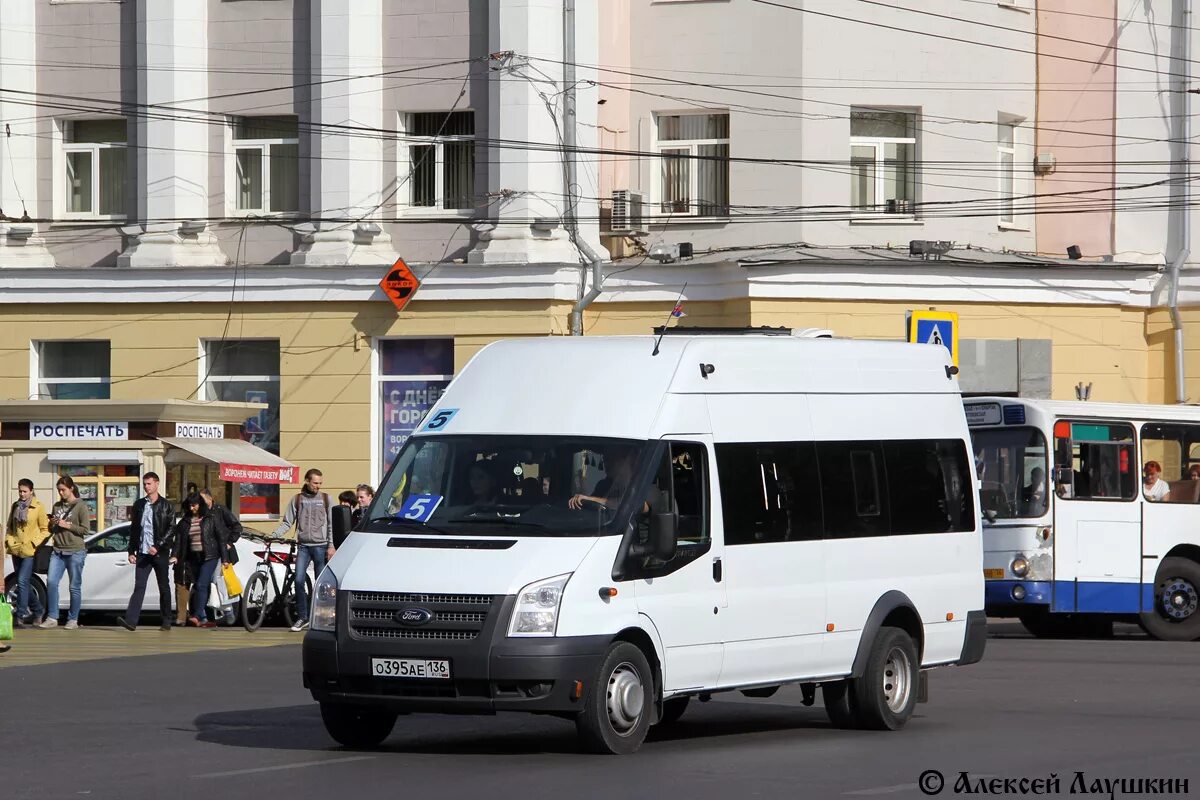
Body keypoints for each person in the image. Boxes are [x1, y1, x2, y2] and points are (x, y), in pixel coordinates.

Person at [273, 468, 334, 632]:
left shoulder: (327, 499)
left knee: (321, 584)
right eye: (315, 483)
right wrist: (274, 535)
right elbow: (287, 522)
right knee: (299, 580)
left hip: (321, 546)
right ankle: (303, 617)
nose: (318, 486)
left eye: (320, 483)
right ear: (307, 481)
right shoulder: (298, 499)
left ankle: (323, 618)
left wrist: (331, 545)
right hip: (303, 546)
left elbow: (331, 525)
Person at [116, 472, 177, 632]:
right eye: (144, 484)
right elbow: (135, 529)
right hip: (143, 552)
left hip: (159, 552)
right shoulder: (139, 505)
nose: (146, 487)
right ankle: (131, 621)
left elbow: (171, 529)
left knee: (163, 586)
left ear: (157, 484)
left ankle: (166, 621)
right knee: (139, 586)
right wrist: (131, 550)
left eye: (149, 483)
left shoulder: (167, 506)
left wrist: (158, 545)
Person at [170, 494, 231, 628]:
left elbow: (221, 538)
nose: (192, 508)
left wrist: (225, 558)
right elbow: (178, 541)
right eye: (190, 505)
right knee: (199, 585)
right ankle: (203, 618)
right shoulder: (185, 522)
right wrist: (174, 555)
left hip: (210, 556)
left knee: (201, 584)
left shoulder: (211, 518)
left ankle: (196, 615)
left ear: (200, 504)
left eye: (195, 505)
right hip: (193, 557)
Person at [37, 476, 91, 629]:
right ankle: (52, 617)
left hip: (75, 551)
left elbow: (85, 529)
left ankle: (73, 619)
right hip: (58, 550)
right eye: (59, 490)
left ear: (71, 488)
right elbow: (53, 530)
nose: (61, 493)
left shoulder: (81, 506)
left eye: (63, 490)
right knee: (52, 582)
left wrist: (67, 525)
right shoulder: (56, 506)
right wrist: (52, 524)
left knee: (74, 586)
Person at [5, 479, 50, 627]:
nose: (22, 494)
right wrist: (9, 540)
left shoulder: (38, 507)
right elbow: (10, 527)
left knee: (23, 581)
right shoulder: (15, 506)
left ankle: (20, 615)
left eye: (25, 491)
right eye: (20, 491)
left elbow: (46, 529)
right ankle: (38, 610)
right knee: (21, 582)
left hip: (29, 550)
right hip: (15, 549)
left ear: (31, 491)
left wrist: (34, 543)